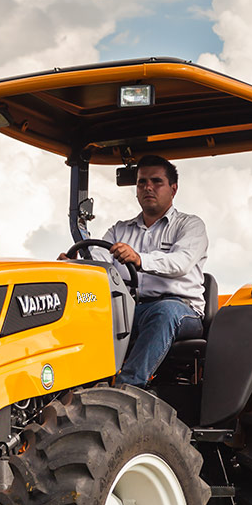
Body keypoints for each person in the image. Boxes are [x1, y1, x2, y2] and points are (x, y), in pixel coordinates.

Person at [78, 154, 209, 389]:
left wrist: (139, 259)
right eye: (142, 182)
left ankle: (128, 389)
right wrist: (75, 262)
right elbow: (99, 259)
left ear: (173, 188)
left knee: (164, 312)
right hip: (130, 308)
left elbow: (181, 262)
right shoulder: (120, 230)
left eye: (156, 181)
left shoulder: (189, 225)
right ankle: (79, 388)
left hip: (181, 310)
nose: (148, 187)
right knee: (83, 309)